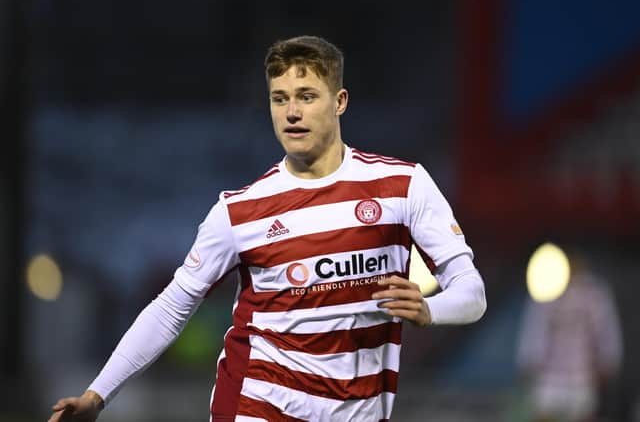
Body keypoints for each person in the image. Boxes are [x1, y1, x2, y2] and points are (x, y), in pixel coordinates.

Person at [49, 35, 487, 422]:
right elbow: (172, 307)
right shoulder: (240, 211)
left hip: (359, 410)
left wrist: (431, 310)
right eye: (279, 99)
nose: (292, 112)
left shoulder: (403, 186)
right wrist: (98, 395)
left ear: (340, 102)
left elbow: (471, 291)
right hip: (259, 404)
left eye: (307, 96)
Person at [517, 249, 623, 422]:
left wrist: (608, 362)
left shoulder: (594, 293)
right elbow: (535, 331)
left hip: (575, 380)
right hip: (556, 380)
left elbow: (606, 333)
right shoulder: (548, 289)